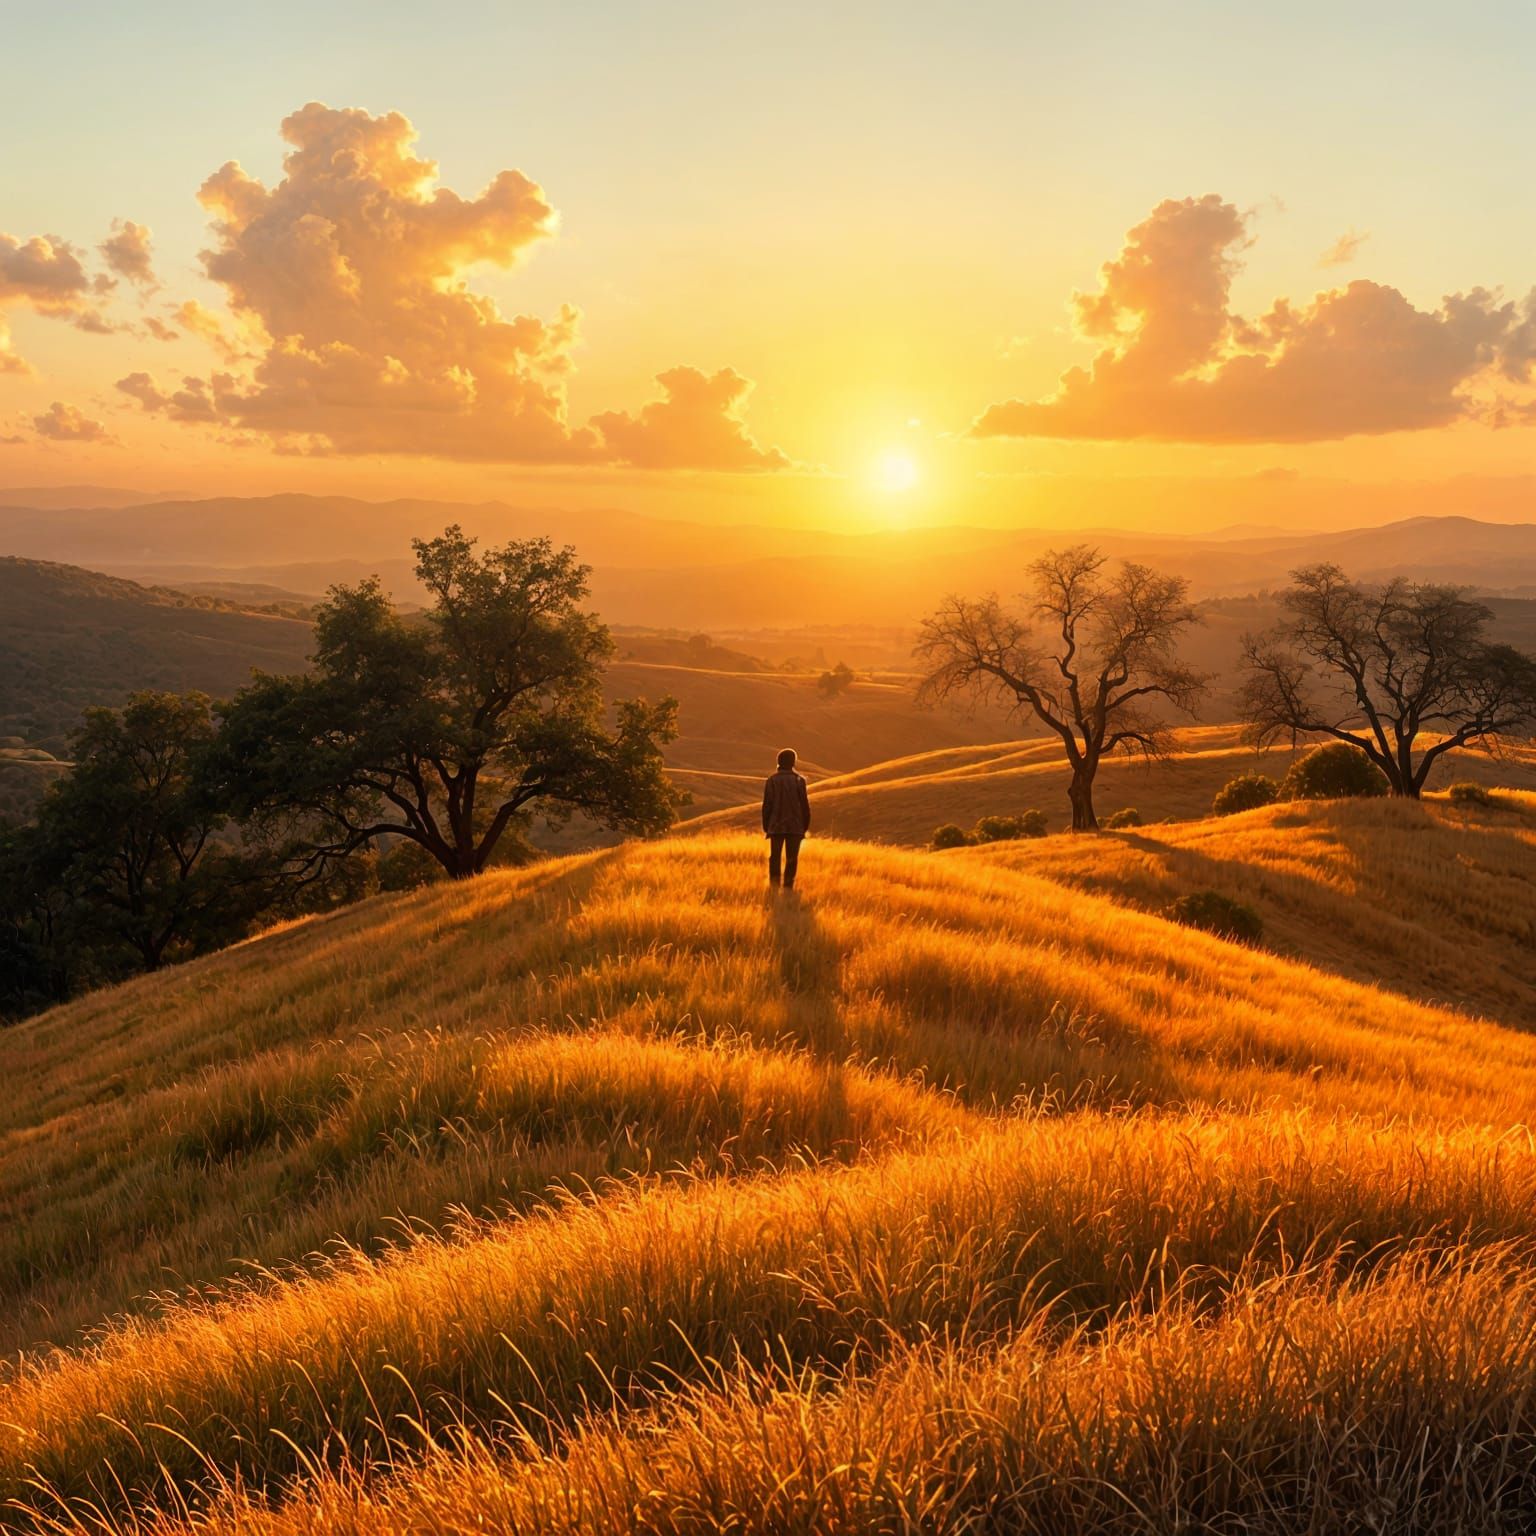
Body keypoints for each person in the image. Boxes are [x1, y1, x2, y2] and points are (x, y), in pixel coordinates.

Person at [761, 747, 811, 889]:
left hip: (775, 826)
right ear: (793, 762)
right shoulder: (799, 781)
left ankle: (774, 886)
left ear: (779, 762)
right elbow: (805, 806)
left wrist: (766, 826)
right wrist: (805, 826)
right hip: (796, 826)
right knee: (792, 859)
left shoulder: (771, 780)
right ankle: (788, 888)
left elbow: (767, 806)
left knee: (775, 857)